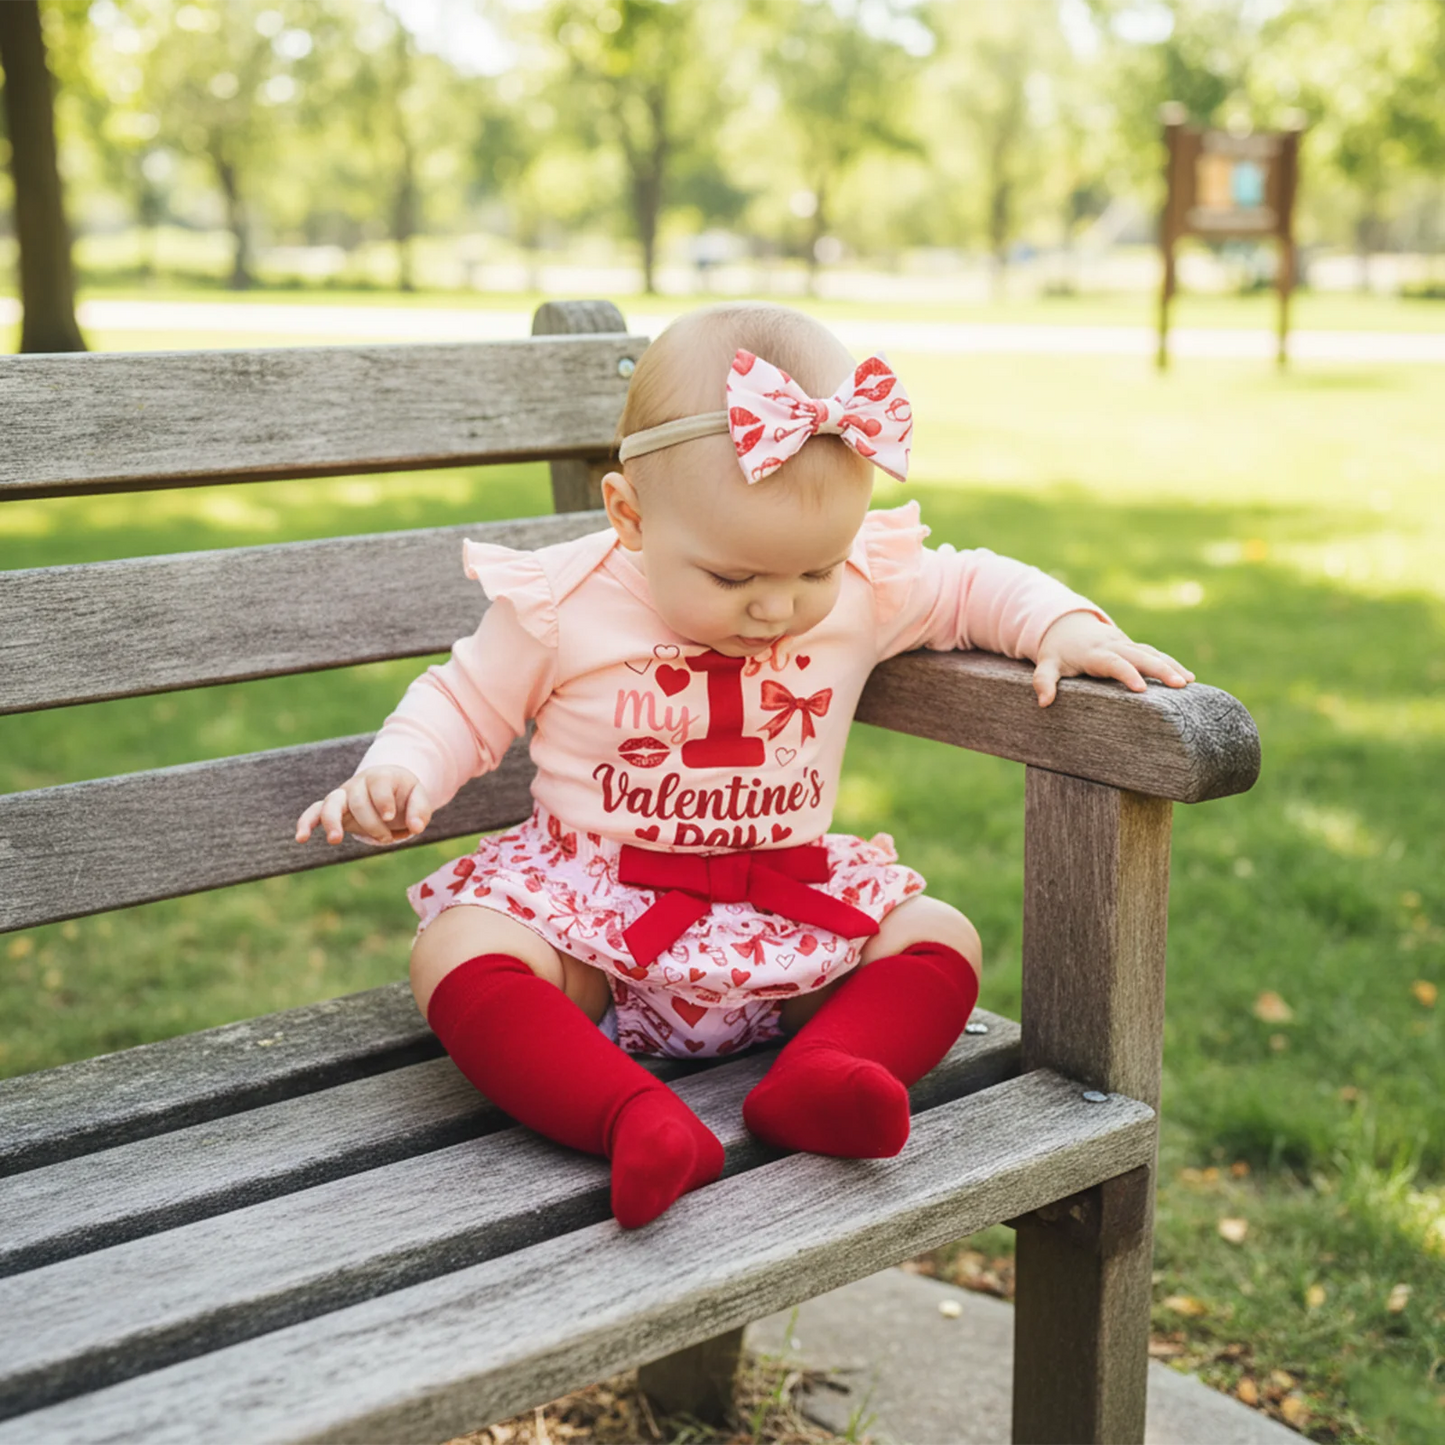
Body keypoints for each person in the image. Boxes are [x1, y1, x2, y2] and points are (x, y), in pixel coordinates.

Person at [295, 303, 1194, 1230]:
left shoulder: (865, 587)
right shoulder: (563, 601)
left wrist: (1062, 624)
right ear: (628, 514)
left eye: (815, 572)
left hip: (784, 916)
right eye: (733, 579)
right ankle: (628, 1115)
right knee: (460, 948)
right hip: (592, 926)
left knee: (938, 936)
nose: (779, 607)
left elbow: (970, 583)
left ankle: (824, 1075)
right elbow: (464, 700)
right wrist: (402, 768)